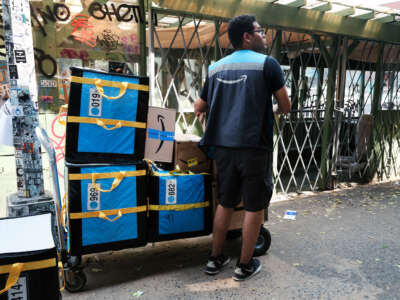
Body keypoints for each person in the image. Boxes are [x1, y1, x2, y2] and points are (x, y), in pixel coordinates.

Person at [194, 14, 290, 281]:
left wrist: (220, 114)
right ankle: (244, 265)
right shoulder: (267, 65)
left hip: (223, 149)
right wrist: (268, 108)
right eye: (260, 31)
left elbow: (198, 107)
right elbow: (286, 106)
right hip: (253, 148)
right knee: (253, 206)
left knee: (225, 202)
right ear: (247, 36)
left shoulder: (215, 68)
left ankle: (215, 259)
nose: (264, 36)